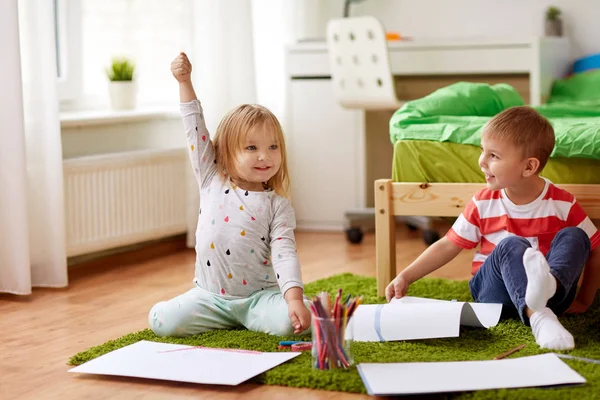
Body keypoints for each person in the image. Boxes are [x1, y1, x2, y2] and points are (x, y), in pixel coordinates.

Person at [386, 106, 600, 351]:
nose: (482, 162)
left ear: (529, 167)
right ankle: (540, 317)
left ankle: (549, 286)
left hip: (554, 297)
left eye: (494, 156)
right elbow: (448, 245)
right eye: (482, 151)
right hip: (494, 296)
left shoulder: (563, 202)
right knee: (511, 244)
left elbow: (594, 248)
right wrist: (406, 276)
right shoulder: (483, 202)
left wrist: (585, 299)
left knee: (576, 235)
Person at [149, 52, 311, 337]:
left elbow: (285, 254)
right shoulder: (212, 177)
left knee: (291, 323)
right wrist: (184, 81)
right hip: (209, 298)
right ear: (225, 151)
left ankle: (301, 307)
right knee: (163, 323)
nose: (265, 156)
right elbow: (194, 128)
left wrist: (294, 298)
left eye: (273, 147)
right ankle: (221, 316)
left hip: (258, 299)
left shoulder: (278, 206)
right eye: (251, 148)